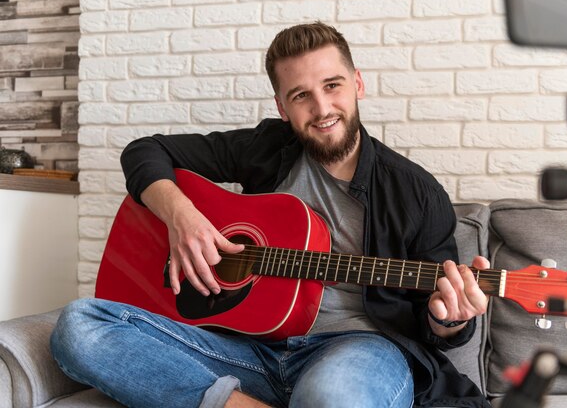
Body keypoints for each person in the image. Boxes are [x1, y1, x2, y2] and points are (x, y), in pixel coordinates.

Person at [50, 22, 491, 408]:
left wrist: (447, 319)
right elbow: (145, 150)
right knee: (79, 325)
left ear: (358, 83)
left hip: (358, 349)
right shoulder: (267, 147)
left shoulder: (417, 193)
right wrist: (182, 217)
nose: (321, 109)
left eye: (332, 85)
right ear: (282, 106)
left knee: (329, 398)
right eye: (301, 95)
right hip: (245, 351)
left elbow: (435, 325)